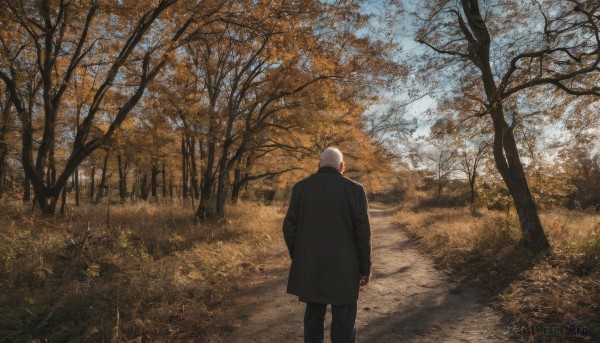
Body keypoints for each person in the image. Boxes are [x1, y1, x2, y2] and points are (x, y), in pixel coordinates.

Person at [282, 147, 372, 343]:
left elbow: (289, 228)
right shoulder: (355, 190)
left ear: (318, 165)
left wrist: (300, 257)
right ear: (342, 167)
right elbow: (363, 234)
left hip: (311, 265)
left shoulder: (301, 187)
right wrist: (364, 268)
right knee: (345, 319)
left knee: (313, 315)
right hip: (345, 267)